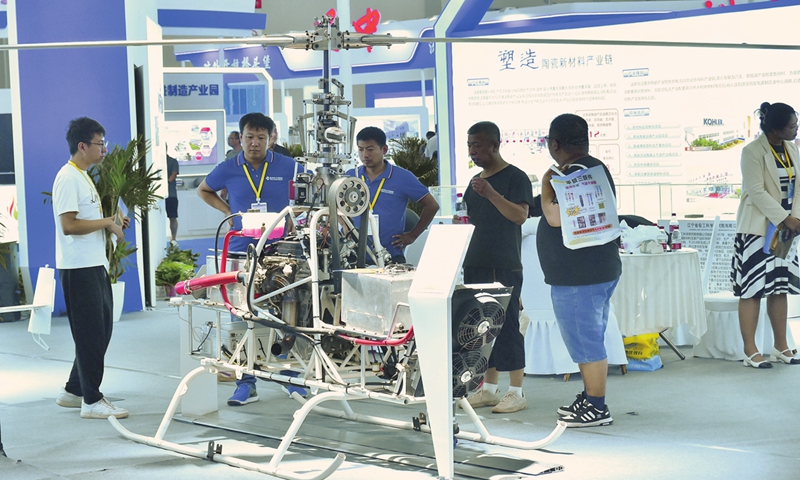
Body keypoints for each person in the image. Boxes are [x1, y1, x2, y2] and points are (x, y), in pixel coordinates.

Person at [198, 112, 304, 405]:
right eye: (249, 137)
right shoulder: (229, 168)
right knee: (241, 316)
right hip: (241, 251)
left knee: (287, 313)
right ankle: (247, 382)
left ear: (271, 138)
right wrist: (228, 214)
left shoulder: (289, 166)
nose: (254, 143)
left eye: (260, 137)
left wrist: (297, 218)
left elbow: (310, 193)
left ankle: (291, 377)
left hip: (281, 250)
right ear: (240, 138)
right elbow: (203, 189)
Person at [538, 113, 620, 427]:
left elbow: (556, 217)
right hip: (594, 271)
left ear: (554, 143)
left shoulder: (573, 173)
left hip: (580, 276)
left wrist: (546, 183)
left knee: (586, 341)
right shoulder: (594, 167)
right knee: (590, 335)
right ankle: (590, 396)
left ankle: (597, 407)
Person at [52, 117, 129, 419]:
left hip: (93, 263)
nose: (105, 150)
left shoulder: (84, 175)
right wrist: (107, 223)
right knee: (91, 334)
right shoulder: (67, 177)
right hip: (78, 267)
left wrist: (111, 221)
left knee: (99, 330)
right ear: (82, 146)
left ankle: (74, 390)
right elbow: (69, 225)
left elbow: (86, 219)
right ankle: (92, 400)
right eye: (100, 144)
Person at [460, 121, 534, 414]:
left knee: (508, 326)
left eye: (477, 145)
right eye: (469, 146)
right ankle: (488, 389)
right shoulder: (474, 180)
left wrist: (491, 193)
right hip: (475, 261)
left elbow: (520, 216)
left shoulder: (515, 177)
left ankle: (517, 390)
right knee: (481, 328)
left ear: (495, 145)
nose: (473, 151)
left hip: (503, 263)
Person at [733, 101, 800, 368]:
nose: (796, 130)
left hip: (786, 229)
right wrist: (785, 218)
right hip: (757, 228)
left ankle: (781, 346)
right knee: (752, 289)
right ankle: (750, 350)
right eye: (792, 126)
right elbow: (757, 191)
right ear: (775, 129)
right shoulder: (752, 151)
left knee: (779, 286)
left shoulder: (792, 149)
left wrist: (794, 219)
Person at [347, 126, 439, 264]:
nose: (365, 155)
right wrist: (346, 228)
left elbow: (432, 205)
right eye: (361, 149)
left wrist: (413, 235)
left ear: (384, 149)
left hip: (390, 256)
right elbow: (335, 205)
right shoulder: (351, 176)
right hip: (354, 255)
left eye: (370, 149)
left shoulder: (402, 177)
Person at [166, 148, 179, 245]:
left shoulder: (173, 161)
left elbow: (174, 174)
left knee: (172, 217)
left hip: (171, 194)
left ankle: (173, 237)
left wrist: (164, 183)